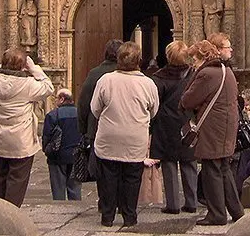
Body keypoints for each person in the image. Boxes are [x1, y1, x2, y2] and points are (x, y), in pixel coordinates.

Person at [90, 40, 159, 228]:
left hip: (109, 137)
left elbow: (95, 109)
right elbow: (154, 111)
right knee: (132, 177)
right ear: (139, 60)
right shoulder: (147, 83)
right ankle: (129, 216)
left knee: (108, 177)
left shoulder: (105, 80)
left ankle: (107, 216)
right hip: (135, 138)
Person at [0, 47, 54, 207]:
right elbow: (48, 87)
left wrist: (3, 65)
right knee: (17, 180)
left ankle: (0, 212)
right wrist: (33, 68)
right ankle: (11, 214)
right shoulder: (27, 85)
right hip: (20, 140)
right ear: (22, 65)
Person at [180, 38, 244, 226]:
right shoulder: (227, 71)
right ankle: (236, 210)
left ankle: (216, 214)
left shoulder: (207, 74)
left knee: (211, 170)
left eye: (194, 59)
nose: (193, 63)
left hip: (212, 127)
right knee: (224, 168)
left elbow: (188, 100)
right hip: (226, 125)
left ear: (202, 57)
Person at [149, 39, 197, 214]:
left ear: (168, 56)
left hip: (165, 125)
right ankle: (191, 202)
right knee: (189, 162)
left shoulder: (158, 78)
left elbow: (155, 102)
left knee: (169, 163)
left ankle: (173, 204)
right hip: (187, 122)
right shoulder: (194, 75)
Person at [78, 38, 122, 142]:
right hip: (125, 131)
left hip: (96, 130)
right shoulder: (129, 74)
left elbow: (83, 104)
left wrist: (84, 130)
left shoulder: (95, 73)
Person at [42, 88, 82, 201]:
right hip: (76, 156)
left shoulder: (53, 115)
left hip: (57, 157)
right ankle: (76, 210)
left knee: (58, 190)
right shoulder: (80, 113)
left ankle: (59, 210)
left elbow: (46, 137)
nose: (55, 101)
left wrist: (47, 150)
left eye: (56, 98)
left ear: (62, 99)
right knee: (75, 188)